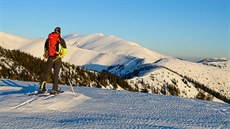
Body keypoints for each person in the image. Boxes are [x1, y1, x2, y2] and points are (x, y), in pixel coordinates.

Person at [38, 27, 67, 95]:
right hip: (57, 58)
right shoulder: (61, 40)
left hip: (50, 58)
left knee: (46, 73)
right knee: (56, 74)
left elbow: (45, 48)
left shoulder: (48, 39)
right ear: (59, 32)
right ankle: (54, 89)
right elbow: (65, 50)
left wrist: (47, 54)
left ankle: (42, 88)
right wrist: (61, 56)